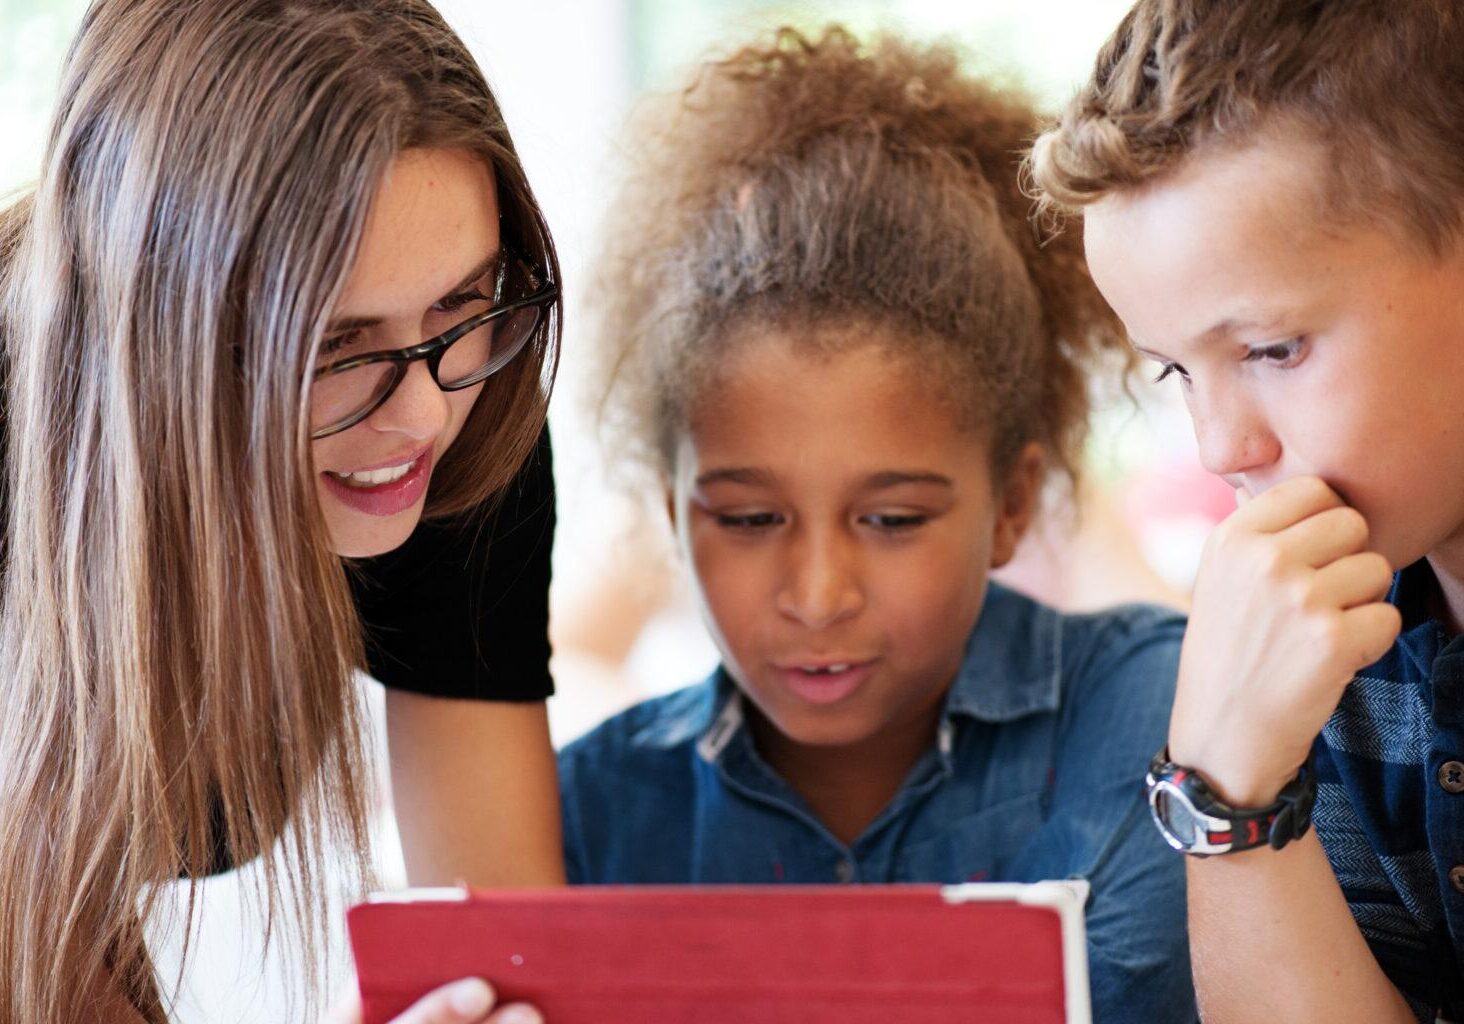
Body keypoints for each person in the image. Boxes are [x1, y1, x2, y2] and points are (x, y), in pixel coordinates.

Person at [560, 28, 1196, 1023]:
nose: (818, 594)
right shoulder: (590, 815)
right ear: (671, 511)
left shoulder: (1157, 721)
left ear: (1012, 505)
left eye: (893, 518)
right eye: (748, 515)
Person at [0, 1, 563, 1021]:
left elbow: (496, 956)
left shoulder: (463, 405)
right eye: (337, 345)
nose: (422, 411)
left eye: (461, 300)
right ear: (159, 339)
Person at [1028, 1, 1464, 1020]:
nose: (1221, 448)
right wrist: (1230, 785)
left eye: (1273, 349)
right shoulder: (1329, 632)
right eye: (1177, 368)